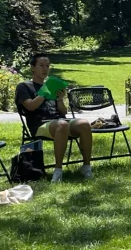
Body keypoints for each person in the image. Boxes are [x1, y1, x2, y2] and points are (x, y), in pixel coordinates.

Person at [15, 53, 93, 182]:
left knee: (84, 124)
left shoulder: (52, 86)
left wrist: (60, 99)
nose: (45, 69)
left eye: (47, 66)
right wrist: (45, 92)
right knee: (61, 124)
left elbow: (63, 112)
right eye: (41, 65)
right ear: (32, 68)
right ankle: (58, 170)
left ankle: (86, 166)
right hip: (39, 124)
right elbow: (30, 107)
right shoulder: (24, 87)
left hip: (59, 121)